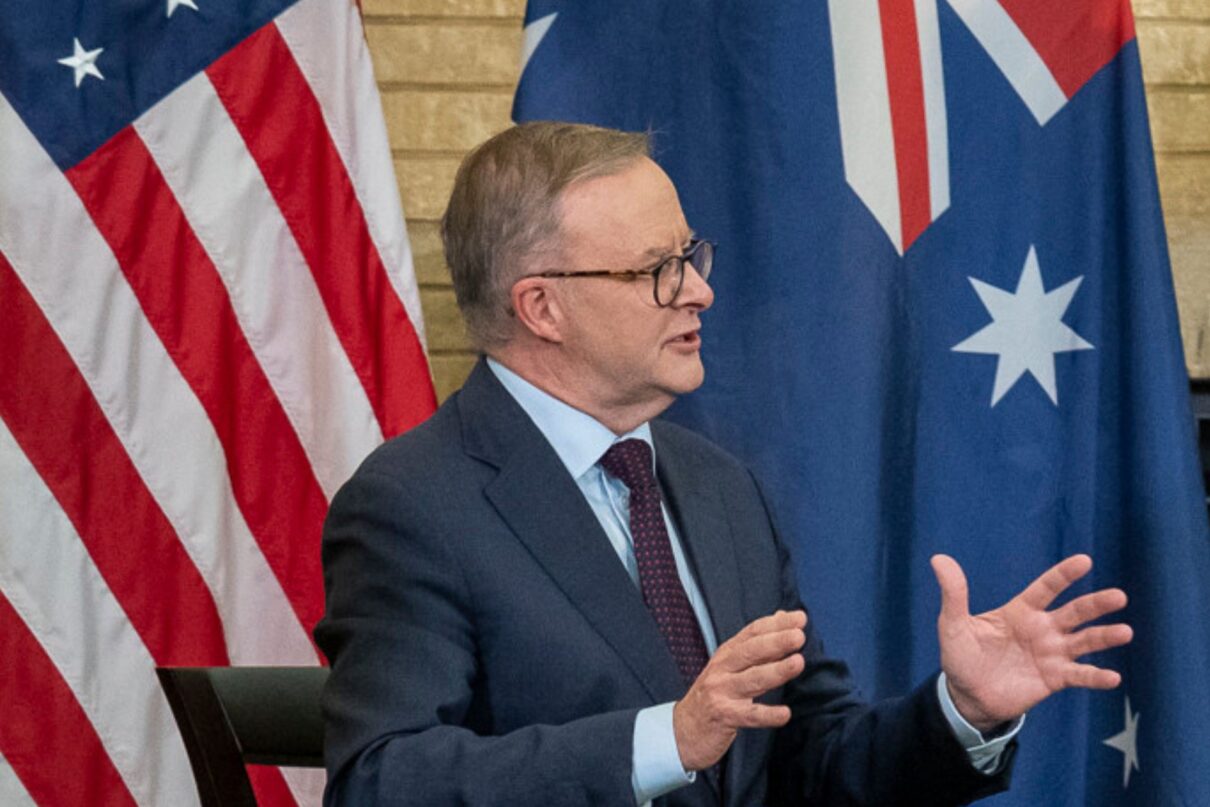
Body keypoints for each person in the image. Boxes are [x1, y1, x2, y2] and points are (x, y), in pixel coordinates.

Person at [314, 122, 1132, 806]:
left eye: (691, 255)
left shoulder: (717, 485)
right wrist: (666, 739)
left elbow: (812, 757)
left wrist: (963, 710)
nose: (699, 291)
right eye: (656, 269)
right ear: (542, 307)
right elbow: (385, 780)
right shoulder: (414, 503)